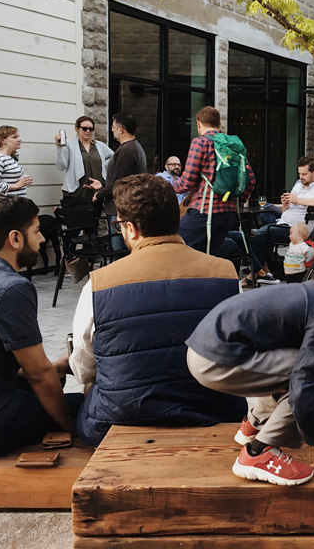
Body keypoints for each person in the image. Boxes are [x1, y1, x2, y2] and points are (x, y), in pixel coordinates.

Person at [186, 243, 314, 486]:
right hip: (217, 361)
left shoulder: (305, 293)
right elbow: (304, 385)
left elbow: (289, 356)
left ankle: (255, 425)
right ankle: (257, 453)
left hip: (204, 350)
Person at [71, 174, 247, 446]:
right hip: (217, 412)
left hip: (117, 422)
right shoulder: (226, 274)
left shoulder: (97, 284)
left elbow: (84, 369)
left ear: (130, 229)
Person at [0, 196, 81, 461]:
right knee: (86, 407)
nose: (41, 239)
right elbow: (38, 375)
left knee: (57, 378)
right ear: (15, 238)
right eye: (37, 231)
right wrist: (69, 428)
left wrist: (58, 367)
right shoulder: (11, 288)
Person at [174, 106, 256, 256]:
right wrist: (239, 199)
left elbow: (187, 182)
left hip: (205, 210)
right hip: (228, 214)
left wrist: (171, 188)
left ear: (198, 124)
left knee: (176, 247)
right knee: (209, 255)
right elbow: (250, 179)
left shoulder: (200, 143)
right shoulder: (233, 145)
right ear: (219, 124)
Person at [246, 156, 314, 286]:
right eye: (299, 173)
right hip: (282, 224)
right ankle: (264, 271)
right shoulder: (298, 185)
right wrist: (285, 203)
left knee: (251, 237)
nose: (301, 176)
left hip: (297, 230)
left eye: (304, 174)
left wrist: (298, 201)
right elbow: (285, 211)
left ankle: (260, 272)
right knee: (253, 237)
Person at [87, 112, 146, 250]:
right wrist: (102, 184)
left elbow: (120, 184)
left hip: (120, 209)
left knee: (119, 253)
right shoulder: (131, 147)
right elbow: (122, 178)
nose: (112, 129)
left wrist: (99, 194)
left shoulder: (127, 150)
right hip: (123, 208)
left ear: (121, 129)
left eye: (113, 126)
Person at [55, 116, 113, 209]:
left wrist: (104, 165)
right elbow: (61, 166)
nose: (88, 131)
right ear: (77, 129)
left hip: (95, 194)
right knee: (75, 222)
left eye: (91, 129)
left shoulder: (99, 145)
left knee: (94, 222)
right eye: (84, 128)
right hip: (74, 193)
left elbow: (113, 157)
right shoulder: (69, 144)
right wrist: (59, 147)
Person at [0, 126, 33, 197]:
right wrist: (16, 185)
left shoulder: (10, 157)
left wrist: (23, 180)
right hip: (7, 205)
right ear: (3, 140)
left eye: (18, 136)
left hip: (17, 204)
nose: (19, 139)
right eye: (14, 137)